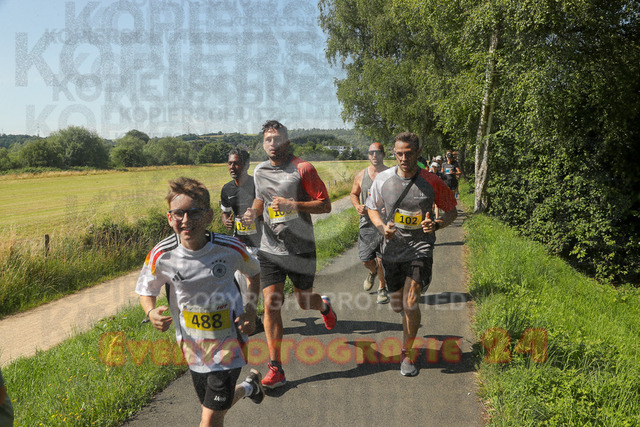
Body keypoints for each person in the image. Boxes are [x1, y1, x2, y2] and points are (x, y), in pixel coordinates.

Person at [136, 177, 264, 427]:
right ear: (169, 218)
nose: (186, 220)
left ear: (208, 216)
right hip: (193, 347)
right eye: (179, 213)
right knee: (215, 407)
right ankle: (250, 387)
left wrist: (250, 309)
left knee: (210, 419)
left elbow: (254, 273)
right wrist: (150, 312)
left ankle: (247, 387)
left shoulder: (230, 248)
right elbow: (145, 289)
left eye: (194, 213)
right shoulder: (161, 254)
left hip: (230, 343)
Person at [243, 120, 336, 389]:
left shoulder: (303, 168)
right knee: (271, 304)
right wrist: (252, 212)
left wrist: (293, 205)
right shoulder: (260, 171)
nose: (272, 144)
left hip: (300, 248)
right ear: (263, 144)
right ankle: (276, 367)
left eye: (277, 139)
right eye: (268, 139)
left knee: (304, 301)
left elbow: (325, 205)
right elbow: (260, 199)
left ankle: (323, 306)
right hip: (270, 248)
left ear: (287, 141)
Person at [366, 132, 457, 377]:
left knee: (410, 302)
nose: (404, 158)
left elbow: (451, 211)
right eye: (399, 154)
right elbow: (372, 208)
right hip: (392, 250)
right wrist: (381, 227)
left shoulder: (432, 181)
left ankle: (407, 353)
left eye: (408, 153)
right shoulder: (383, 179)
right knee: (398, 305)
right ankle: (407, 310)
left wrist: (436, 224)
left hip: (420, 246)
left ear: (418, 153)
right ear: (394, 154)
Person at [220, 148, 264, 334]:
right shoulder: (227, 189)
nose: (232, 167)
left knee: (257, 282)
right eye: (230, 163)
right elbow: (225, 212)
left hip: (261, 242)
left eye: (236, 163)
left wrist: (256, 214)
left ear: (246, 165)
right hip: (239, 243)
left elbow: (268, 208)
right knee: (241, 283)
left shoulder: (257, 185)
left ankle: (259, 312)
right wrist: (226, 221)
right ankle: (253, 319)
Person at [350, 142, 390, 304]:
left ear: (383, 154)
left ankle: (382, 287)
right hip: (366, 224)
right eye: (371, 152)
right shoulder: (361, 175)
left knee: (381, 259)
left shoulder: (391, 174)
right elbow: (354, 194)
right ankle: (372, 272)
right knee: (366, 259)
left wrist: (389, 207)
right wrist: (357, 206)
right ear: (368, 155)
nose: (374, 155)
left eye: (378, 152)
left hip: (385, 223)